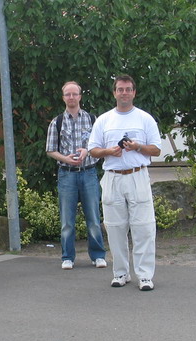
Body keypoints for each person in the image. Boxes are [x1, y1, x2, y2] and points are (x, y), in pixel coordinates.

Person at [88, 75, 161, 291]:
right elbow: (93, 150)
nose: (124, 93)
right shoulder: (104, 120)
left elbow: (156, 149)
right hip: (113, 177)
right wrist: (109, 151)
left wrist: (138, 147)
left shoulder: (145, 119)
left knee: (143, 227)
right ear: (114, 93)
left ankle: (145, 275)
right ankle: (120, 273)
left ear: (134, 92)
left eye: (128, 89)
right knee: (115, 227)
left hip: (138, 175)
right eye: (120, 89)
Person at [45, 81, 107, 270]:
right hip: (67, 175)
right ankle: (67, 257)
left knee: (93, 218)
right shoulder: (57, 122)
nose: (71, 97)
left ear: (80, 96)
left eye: (74, 94)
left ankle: (98, 256)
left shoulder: (92, 119)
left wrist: (87, 151)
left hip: (89, 173)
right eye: (68, 94)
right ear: (63, 97)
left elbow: (101, 145)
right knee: (67, 221)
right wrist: (65, 158)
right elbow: (50, 150)